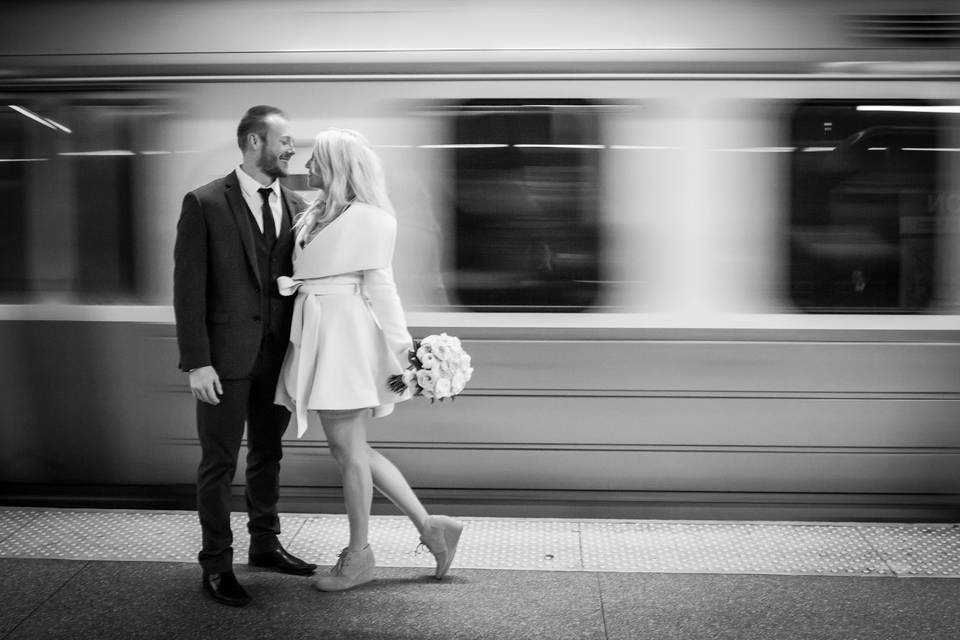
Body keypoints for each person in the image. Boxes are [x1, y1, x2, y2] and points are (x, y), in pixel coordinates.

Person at [274, 128, 463, 592]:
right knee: (351, 449)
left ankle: (359, 556)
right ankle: (430, 527)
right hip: (324, 333)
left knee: (349, 452)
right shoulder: (317, 212)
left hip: (344, 341)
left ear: (337, 167)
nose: (308, 167)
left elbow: (383, 289)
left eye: (316, 161)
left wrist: (408, 359)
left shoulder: (371, 219)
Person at [173, 105, 318, 607]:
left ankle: (265, 543)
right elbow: (187, 290)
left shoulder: (298, 204)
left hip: (278, 357)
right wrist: (197, 361)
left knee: (268, 453)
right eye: (285, 140)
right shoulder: (205, 202)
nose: (292, 149)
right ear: (255, 142)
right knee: (218, 462)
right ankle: (216, 563)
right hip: (223, 361)